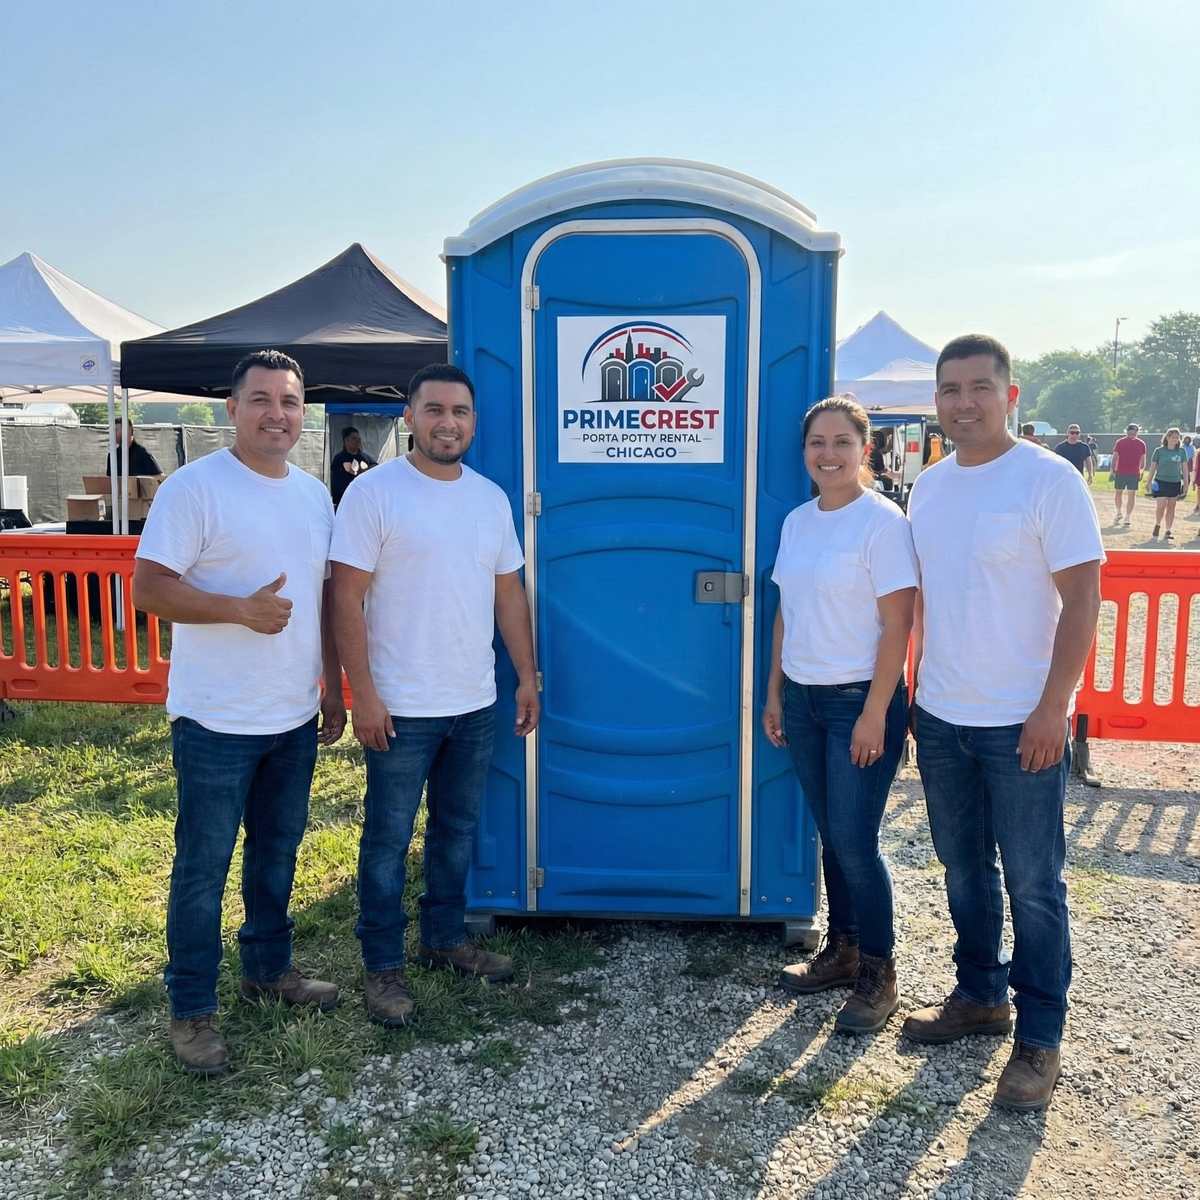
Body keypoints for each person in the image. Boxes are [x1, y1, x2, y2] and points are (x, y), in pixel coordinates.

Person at [132, 350, 345, 1076]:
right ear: (232, 409)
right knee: (203, 867)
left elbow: (321, 601)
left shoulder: (314, 496)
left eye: (289, 401)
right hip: (215, 721)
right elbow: (148, 589)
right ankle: (191, 1008)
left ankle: (268, 971)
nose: (276, 414)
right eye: (261, 400)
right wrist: (237, 610)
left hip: (292, 715)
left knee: (277, 853)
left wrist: (333, 687)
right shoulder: (195, 489)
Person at [905, 334, 1103, 1112]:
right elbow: (928, 598)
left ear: (1010, 395)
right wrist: (918, 690)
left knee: (1033, 882)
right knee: (963, 870)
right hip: (942, 715)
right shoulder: (929, 487)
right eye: (951, 390)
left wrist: (1054, 707)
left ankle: (1040, 1037)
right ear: (937, 402)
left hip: (1022, 721)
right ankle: (980, 994)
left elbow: (1082, 600)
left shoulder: (1050, 480)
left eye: (980, 387)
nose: (965, 403)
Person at [330, 363, 539, 1027]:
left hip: (472, 702)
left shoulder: (489, 498)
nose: (449, 423)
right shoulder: (374, 493)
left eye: (460, 412)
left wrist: (526, 674)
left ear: (473, 421)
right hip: (399, 707)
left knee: (455, 831)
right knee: (387, 840)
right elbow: (345, 597)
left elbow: (508, 594)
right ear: (410, 417)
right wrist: (362, 694)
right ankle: (383, 967)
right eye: (435, 410)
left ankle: (445, 938)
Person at [764, 395, 917, 1034]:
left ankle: (880, 973)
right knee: (832, 834)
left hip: (860, 699)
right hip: (803, 699)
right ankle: (844, 949)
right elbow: (787, 613)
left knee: (856, 841)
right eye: (816, 443)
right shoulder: (798, 522)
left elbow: (898, 624)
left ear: (865, 449)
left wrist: (876, 712)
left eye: (841, 442)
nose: (827, 454)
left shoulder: (883, 523)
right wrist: (775, 692)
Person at [1145, 427, 1190, 541]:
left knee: (1171, 507)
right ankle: (1157, 525)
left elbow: (1185, 469)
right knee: (1161, 506)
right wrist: (1148, 482)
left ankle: (1168, 530)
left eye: (1177, 438)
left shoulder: (1181, 451)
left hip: (1175, 482)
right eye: (1173, 437)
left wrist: (1186, 484)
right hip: (1161, 482)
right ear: (1167, 437)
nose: (1175, 439)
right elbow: (1153, 468)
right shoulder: (1159, 451)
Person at [1109, 423, 1147, 525]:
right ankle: (1118, 512)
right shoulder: (1120, 442)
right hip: (1120, 471)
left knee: (1131, 494)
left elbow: (1143, 459)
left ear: (1137, 432)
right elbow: (1115, 456)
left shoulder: (1141, 443)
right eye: (1130, 432)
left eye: (1134, 432)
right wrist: (1112, 469)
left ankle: (1128, 516)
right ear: (1127, 431)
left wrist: (1142, 470)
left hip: (1134, 473)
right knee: (1118, 493)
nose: (1132, 434)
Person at [330, 426, 377, 507]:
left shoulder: (365, 458)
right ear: (346, 441)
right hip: (344, 503)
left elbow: (376, 469)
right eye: (354, 438)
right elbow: (337, 484)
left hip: (364, 502)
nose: (358, 441)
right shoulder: (339, 459)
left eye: (359, 438)